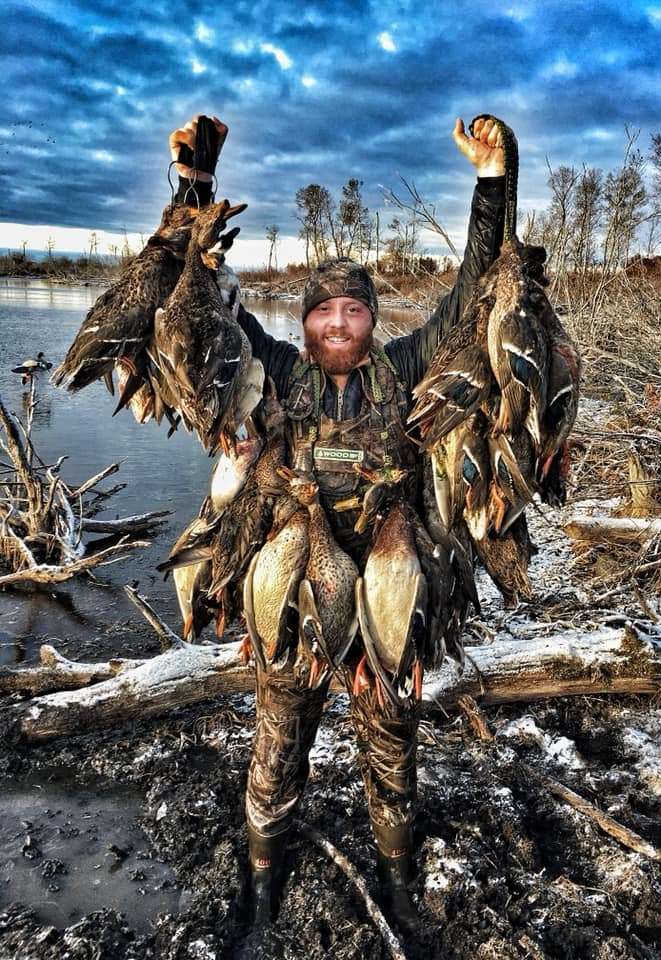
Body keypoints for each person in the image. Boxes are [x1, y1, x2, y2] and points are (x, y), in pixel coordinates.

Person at [167, 112, 508, 932]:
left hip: (386, 613)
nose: (339, 323)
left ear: (371, 318)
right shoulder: (277, 373)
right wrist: (195, 188)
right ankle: (261, 883)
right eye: (325, 312)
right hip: (296, 607)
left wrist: (494, 180)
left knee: (393, 755)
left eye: (354, 310)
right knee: (276, 751)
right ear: (307, 323)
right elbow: (199, 293)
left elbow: (474, 294)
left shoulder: (406, 371)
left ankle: (395, 882)